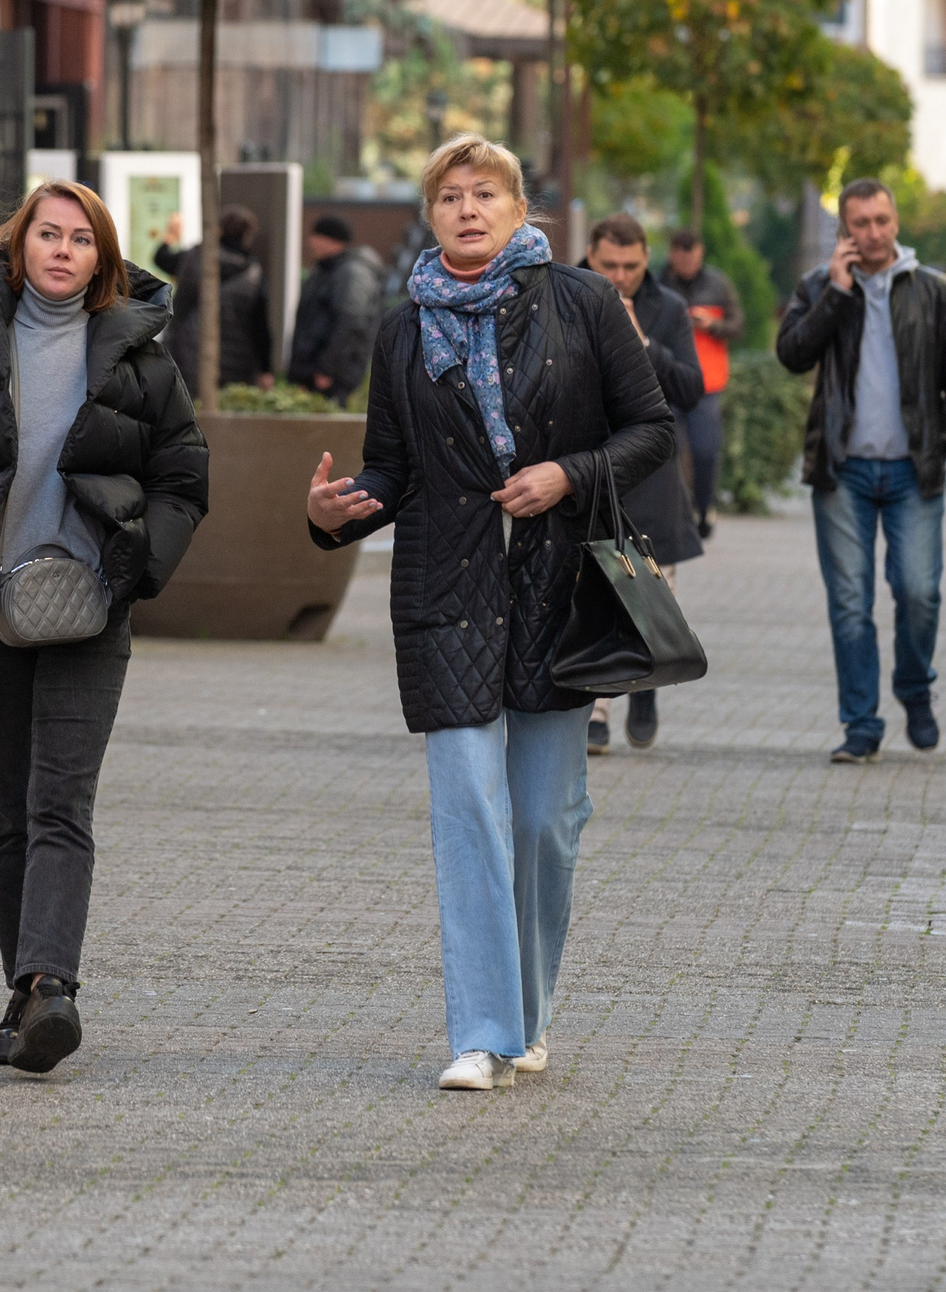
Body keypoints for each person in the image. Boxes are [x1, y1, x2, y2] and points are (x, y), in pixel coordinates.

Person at [304, 133, 673, 1091]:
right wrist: (336, 512)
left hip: (559, 591)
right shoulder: (401, 329)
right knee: (469, 810)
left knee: (546, 820)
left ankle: (527, 1013)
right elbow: (391, 467)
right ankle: (478, 1031)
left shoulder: (583, 303)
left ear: (520, 208)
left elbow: (653, 431)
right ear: (430, 217)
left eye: (486, 194)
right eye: (449, 197)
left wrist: (568, 473)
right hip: (448, 592)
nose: (467, 209)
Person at [0, 181, 209, 1077]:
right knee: (6, 811)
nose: (62, 249)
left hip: (92, 617)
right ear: (16, 248)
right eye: (45, 234)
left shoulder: (141, 364)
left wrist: (139, 566)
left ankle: (53, 983)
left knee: (62, 803)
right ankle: (24, 994)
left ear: (102, 256)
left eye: (80, 237)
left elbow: (184, 476)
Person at [775, 179, 946, 763]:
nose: (873, 233)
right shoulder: (820, 286)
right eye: (861, 224)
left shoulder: (933, 292)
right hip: (843, 471)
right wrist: (836, 292)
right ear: (845, 231)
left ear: (895, 221)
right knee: (850, 603)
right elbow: (792, 355)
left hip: (914, 468)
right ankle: (861, 724)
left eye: (882, 221)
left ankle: (914, 686)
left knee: (919, 591)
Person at [581, 213, 704, 755]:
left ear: (646, 258)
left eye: (631, 265)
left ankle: (649, 680)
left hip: (652, 474)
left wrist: (643, 342)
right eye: (609, 264)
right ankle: (599, 708)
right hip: (589, 467)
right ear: (590, 255)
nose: (621, 275)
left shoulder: (668, 309)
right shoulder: (570, 296)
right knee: (593, 592)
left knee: (653, 593)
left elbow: (690, 389)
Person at [660, 228, 739, 539]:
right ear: (672, 255)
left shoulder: (718, 284)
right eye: (681, 258)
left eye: (692, 258)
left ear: (700, 254)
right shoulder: (658, 284)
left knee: (706, 451)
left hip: (708, 383)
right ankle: (675, 513)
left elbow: (738, 324)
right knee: (668, 451)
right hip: (668, 381)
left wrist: (715, 325)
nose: (687, 263)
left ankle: (704, 506)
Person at [155, 206, 273, 391]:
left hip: (188, 356)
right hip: (237, 367)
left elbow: (162, 259)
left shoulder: (194, 258)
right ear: (248, 235)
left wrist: (171, 235)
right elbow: (260, 329)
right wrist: (266, 370)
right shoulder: (254, 274)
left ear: (219, 230)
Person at [286, 215, 387, 403]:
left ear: (333, 241)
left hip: (328, 379)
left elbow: (351, 322)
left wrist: (328, 370)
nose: (311, 242)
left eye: (317, 236)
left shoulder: (351, 273)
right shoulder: (326, 271)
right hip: (313, 375)